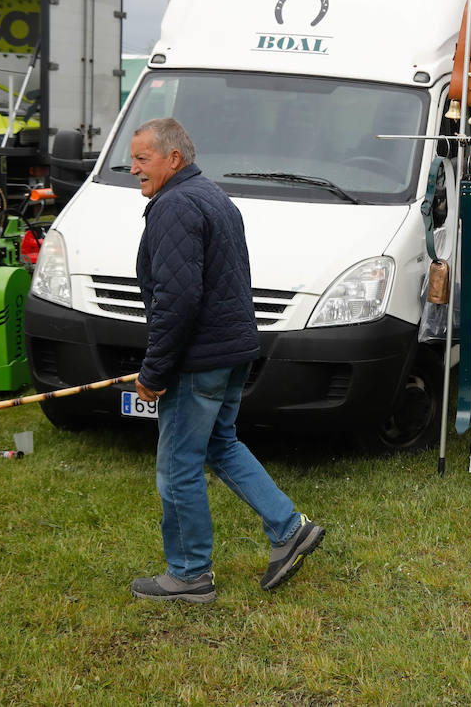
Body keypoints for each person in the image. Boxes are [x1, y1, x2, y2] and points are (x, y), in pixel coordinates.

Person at [128, 117, 323, 603]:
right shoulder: (213, 197)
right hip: (232, 351)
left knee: (178, 466)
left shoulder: (175, 206)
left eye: (141, 159)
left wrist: (154, 373)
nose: (133, 169)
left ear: (173, 158)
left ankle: (189, 574)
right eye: (132, 159)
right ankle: (287, 528)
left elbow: (178, 299)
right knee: (220, 444)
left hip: (199, 361)